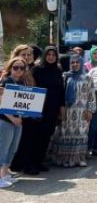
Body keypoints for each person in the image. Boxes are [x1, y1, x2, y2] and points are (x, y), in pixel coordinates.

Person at [12, 46, 64, 176]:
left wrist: (61, 108)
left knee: (46, 136)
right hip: (37, 109)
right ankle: (28, 164)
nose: (51, 57)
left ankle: (38, 161)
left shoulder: (58, 70)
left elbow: (61, 90)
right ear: (44, 55)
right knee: (33, 138)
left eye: (53, 55)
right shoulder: (37, 69)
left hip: (52, 109)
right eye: (48, 54)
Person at [49, 54, 96, 167]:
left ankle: (79, 158)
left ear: (81, 63)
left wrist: (90, 110)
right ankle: (64, 159)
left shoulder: (87, 78)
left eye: (77, 62)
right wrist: (59, 110)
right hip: (67, 111)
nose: (75, 64)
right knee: (65, 134)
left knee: (81, 134)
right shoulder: (65, 76)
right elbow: (59, 94)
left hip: (82, 112)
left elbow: (91, 95)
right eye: (72, 62)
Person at [0, 58, 28, 188]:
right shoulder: (6, 81)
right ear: (10, 67)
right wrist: (13, 118)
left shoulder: (21, 82)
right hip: (6, 120)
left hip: (17, 121)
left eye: (21, 68)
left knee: (12, 149)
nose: (18, 70)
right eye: (16, 67)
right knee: (3, 149)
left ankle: (5, 174)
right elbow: (1, 104)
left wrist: (21, 116)